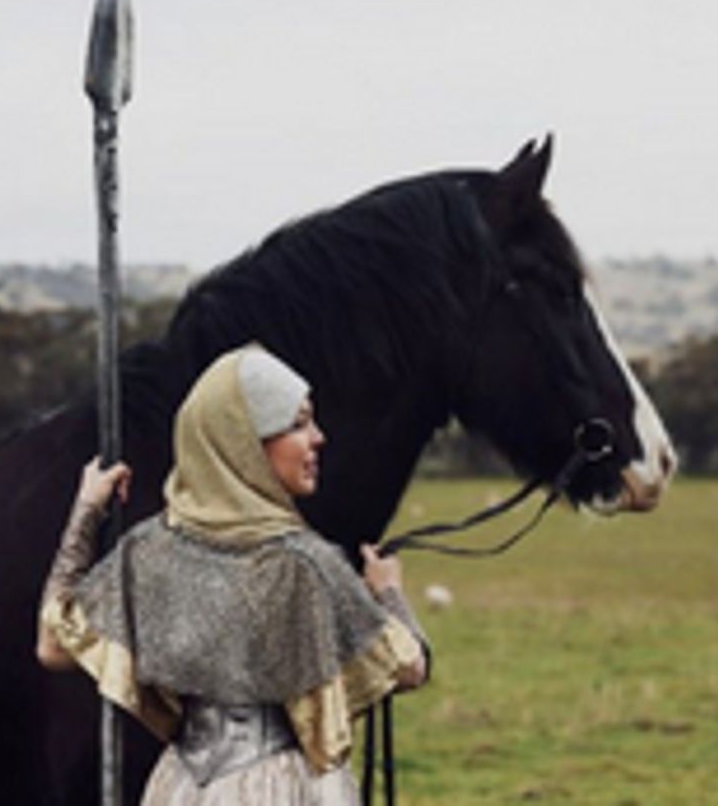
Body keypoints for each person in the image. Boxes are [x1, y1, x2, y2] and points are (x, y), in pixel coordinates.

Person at [37, 344, 429, 804]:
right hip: (283, 788)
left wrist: (86, 511)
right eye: (298, 424)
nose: (318, 438)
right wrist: (388, 592)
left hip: (183, 787)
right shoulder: (303, 564)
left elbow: (53, 644)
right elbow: (408, 667)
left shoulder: (148, 551)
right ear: (245, 444)